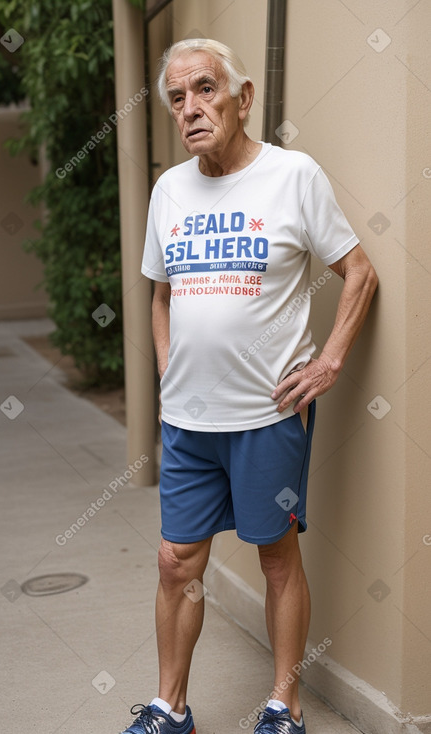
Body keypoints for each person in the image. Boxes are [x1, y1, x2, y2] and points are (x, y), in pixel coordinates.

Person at [120, 38, 378, 734]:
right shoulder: (169, 190)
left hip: (269, 417)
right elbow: (160, 296)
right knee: (176, 561)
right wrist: (170, 370)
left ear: (242, 97)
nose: (190, 109)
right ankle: (170, 708)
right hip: (187, 422)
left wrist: (327, 362)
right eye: (176, 98)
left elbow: (359, 271)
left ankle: (282, 704)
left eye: (204, 89)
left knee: (275, 556)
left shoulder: (292, 177)